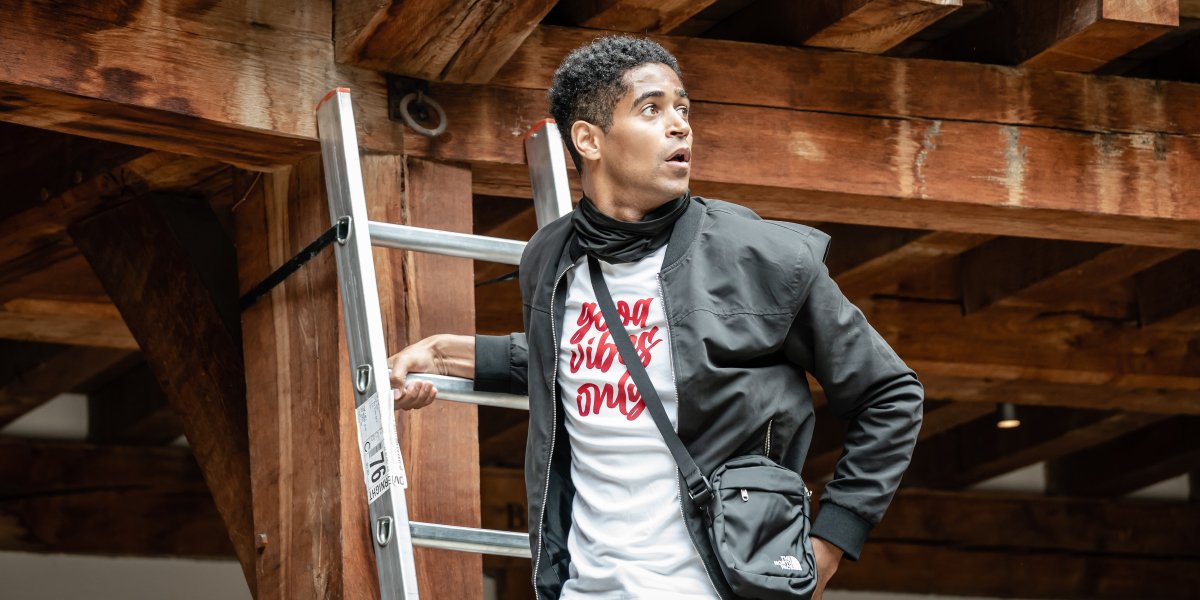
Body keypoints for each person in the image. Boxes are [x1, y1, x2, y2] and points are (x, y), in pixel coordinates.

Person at [388, 36, 923, 600]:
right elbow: (572, 359)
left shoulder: (762, 256)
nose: (680, 126)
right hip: (583, 589)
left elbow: (890, 393)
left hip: (718, 585)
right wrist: (442, 352)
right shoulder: (550, 258)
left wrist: (832, 542)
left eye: (683, 109)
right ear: (589, 139)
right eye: (652, 109)